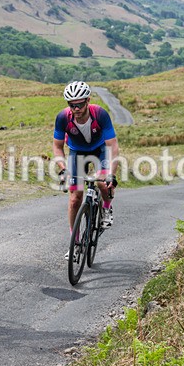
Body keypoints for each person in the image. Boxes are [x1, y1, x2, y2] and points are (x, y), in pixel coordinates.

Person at [53, 81, 120, 256]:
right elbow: (57, 147)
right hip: (77, 151)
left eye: (80, 104)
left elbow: (112, 146)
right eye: (72, 105)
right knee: (75, 198)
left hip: (100, 150)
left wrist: (111, 174)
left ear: (88, 100)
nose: (76, 108)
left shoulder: (100, 114)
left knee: (103, 183)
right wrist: (63, 169)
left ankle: (106, 208)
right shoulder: (62, 117)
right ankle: (74, 243)